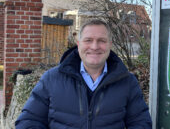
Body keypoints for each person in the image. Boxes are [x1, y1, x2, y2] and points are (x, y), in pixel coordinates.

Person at [16, 19, 152, 128]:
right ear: (78, 43)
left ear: (110, 44)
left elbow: (141, 123)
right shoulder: (52, 79)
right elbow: (28, 121)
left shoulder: (127, 82)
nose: (94, 46)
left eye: (102, 41)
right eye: (88, 40)